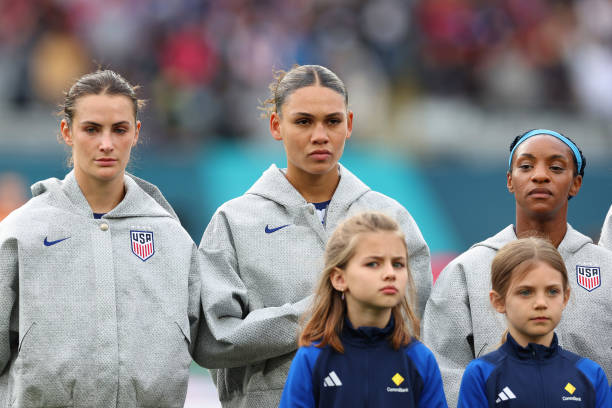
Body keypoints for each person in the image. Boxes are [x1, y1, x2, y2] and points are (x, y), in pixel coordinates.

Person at [196, 64, 432, 407]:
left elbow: (416, 324)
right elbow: (213, 339)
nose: (320, 135)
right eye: (304, 121)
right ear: (277, 126)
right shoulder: (234, 221)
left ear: (349, 124)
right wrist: (321, 312)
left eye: (332, 122)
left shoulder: (391, 218)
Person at [0, 70, 201, 407]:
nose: (106, 143)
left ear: (136, 133)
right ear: (67, 131)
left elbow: (209, 339)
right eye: (92, 129)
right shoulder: (22, 230)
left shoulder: (171, 236)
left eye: (119, 129)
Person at [422, 129, 612, 407]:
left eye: (556, 167)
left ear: (576, 183)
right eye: (526, 166)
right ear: (510, 180)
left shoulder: (606, 269)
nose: (540, 175)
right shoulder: (466, 270)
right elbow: (443, 370)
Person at [279, 212, 447, 407]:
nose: (390, 274)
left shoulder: (420, 360)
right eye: (373, 263)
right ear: (339, 279)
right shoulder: (312, 358)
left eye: (398, 264)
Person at [457, 237, 612, 407]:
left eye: (552, 291)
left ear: (565, 298)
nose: (541, 303)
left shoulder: (590, 374)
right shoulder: (480, 374)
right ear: (498, 301)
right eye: (525, 292)